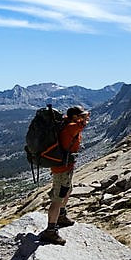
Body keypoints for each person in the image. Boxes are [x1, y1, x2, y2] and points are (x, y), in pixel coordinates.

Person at [39, 105, 90, 245]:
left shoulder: (67, 123)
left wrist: (82, 117)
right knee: (57, 199)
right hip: (62, 169)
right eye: (81, 115)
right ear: (75, 117)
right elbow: (82, 124)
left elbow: (79, 123)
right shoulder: (71, 127)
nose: (84, 117)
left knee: (67, 190)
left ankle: (61, 216)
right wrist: (84, 119)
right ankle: (50, 231)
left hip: (66, 167)